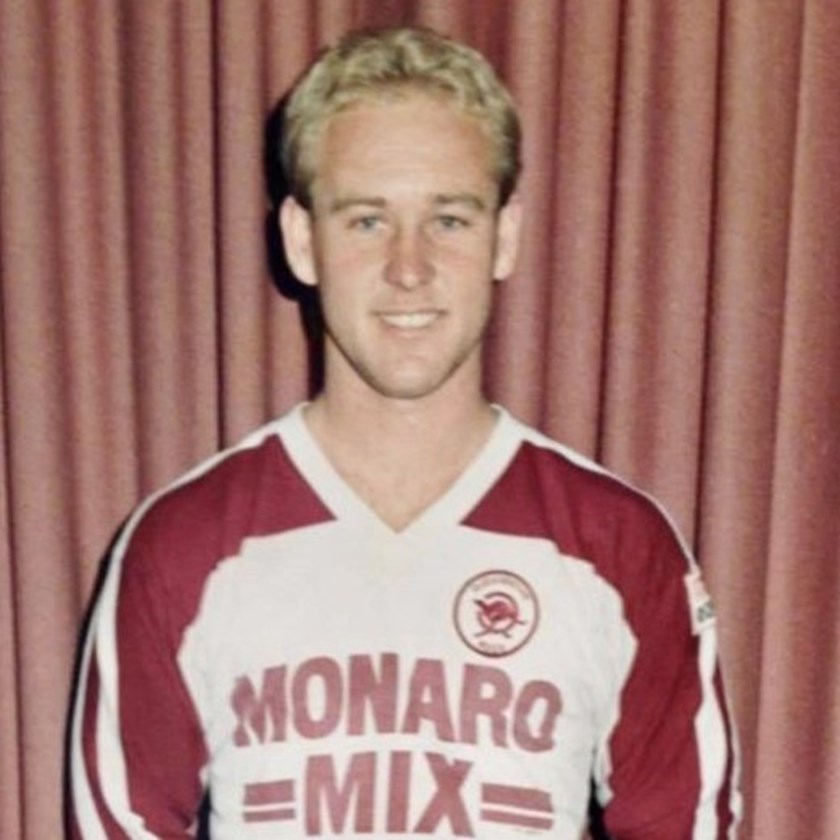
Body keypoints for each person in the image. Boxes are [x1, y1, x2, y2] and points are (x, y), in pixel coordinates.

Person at [68, 26, 741, 839]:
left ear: (506, 236)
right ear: (301, 240)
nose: (409, 267)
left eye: (450, 220)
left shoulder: (621, 547)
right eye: (365, 221)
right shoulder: (182, 546)